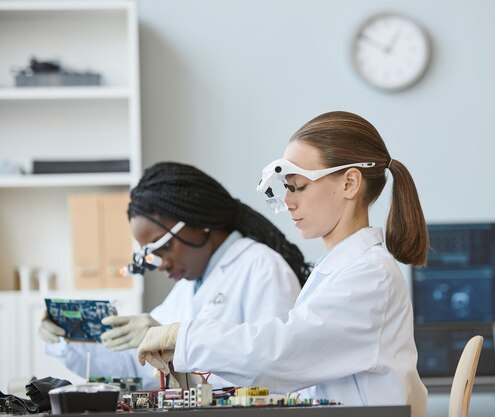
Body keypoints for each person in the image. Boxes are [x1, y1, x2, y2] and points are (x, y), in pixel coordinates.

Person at [137, 111, 429, 417]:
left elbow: (280, 354)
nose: (289, 202)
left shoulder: (370, 276)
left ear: (349, 183)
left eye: (298, 186)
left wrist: (185, 337)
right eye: (286, 188)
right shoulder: (340, 270)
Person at [39, 162, 308, 389]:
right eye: (150, 255)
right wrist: (69, 337)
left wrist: (180, 340)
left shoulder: (263, 267)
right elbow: (138, 368)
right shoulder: (189, 284)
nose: (160, 264)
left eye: (163, 246)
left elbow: (274, 367)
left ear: (199, 221)